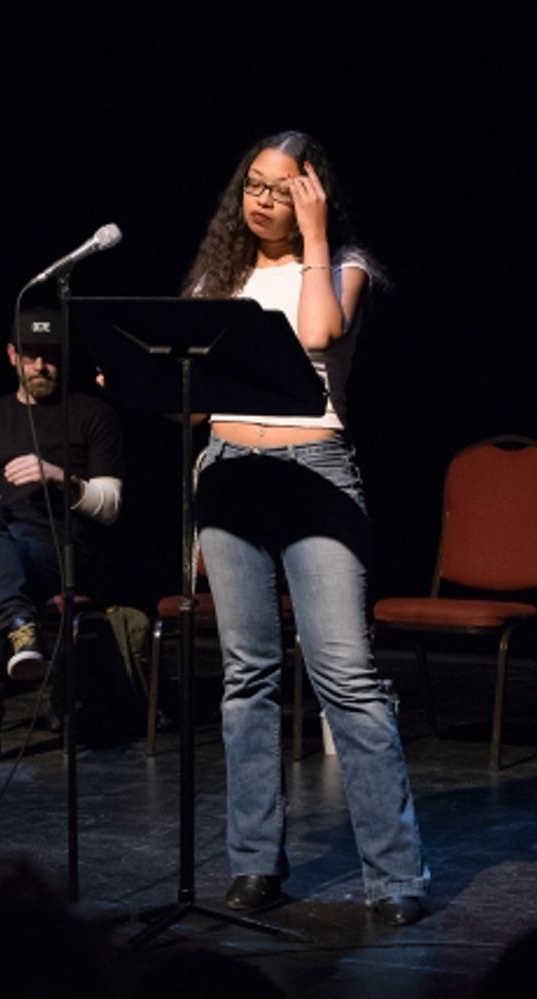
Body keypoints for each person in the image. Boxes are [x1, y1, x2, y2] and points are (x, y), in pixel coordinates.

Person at [185, 130, 429, 925]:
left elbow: (319, 334)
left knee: (347, 678)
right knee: (245, 676)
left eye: (282, 188)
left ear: (313, 193)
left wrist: (318, 239)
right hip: (228, 469)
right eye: (252, 185)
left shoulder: (346, 266)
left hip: (315, 472)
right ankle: (255, 862)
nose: (261, 200)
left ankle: (395, 874)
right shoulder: (221, 272)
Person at [0, 308, 125, 768]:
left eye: (51, 358)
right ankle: (21, 624)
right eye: (32, 357)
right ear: (12, 355)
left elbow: (112, 505)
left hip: (58, 550)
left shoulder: (92, 415)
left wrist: (61, 477)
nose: (42, 367)